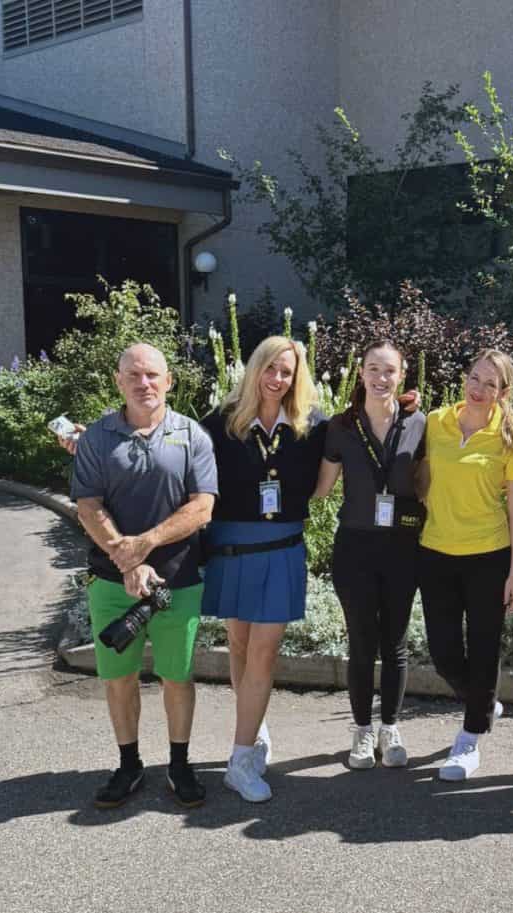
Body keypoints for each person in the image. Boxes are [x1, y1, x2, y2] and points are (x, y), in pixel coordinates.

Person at [70, 343, 218, 809]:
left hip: (178, 583)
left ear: (168, 381)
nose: (143, 383)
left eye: (152, 374)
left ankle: (179, 765)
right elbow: (87, 506)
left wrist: (146, 543)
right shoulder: (97, 438)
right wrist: (130, 562)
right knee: (119, 678)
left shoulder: (192, 435)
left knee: (178, 677)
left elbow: (202, 507)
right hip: (112, 582)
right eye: (133, 375)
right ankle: (129, 765)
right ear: (118, 382)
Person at [200, 335, 326, 803]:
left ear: (297, 377)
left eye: (286, 372)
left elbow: (352, 445)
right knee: (238, 643)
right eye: (270, 368)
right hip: (231, 547)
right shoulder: (220, 422)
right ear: (255, 369)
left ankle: (238, 761)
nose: (277, 378)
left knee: (264, 652)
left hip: (282, 547)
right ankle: (254, 727)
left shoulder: (313, 425)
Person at [417, 348, 513, 781]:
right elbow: (419, 478)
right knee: (443, 653)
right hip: (436, 551)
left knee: (484, 648)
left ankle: (470, 738)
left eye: (491, 384)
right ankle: (483, 701)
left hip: (488, 554)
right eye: (475, 378)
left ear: (504, 392)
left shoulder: (512, 436)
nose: (479, 389)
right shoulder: (436, 421)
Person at [314, 340, 426, 770]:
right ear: (360, 372)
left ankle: (390, 728)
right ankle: (362, 730)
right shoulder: (341, 426)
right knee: (362, 641)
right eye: (373, 369)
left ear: (402, 375)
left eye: (389, 370)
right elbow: (322, 488)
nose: (381, 378)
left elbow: (430, 481)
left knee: (395, 642)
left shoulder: (419, 423)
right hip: (356, 547)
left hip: (403, 547)